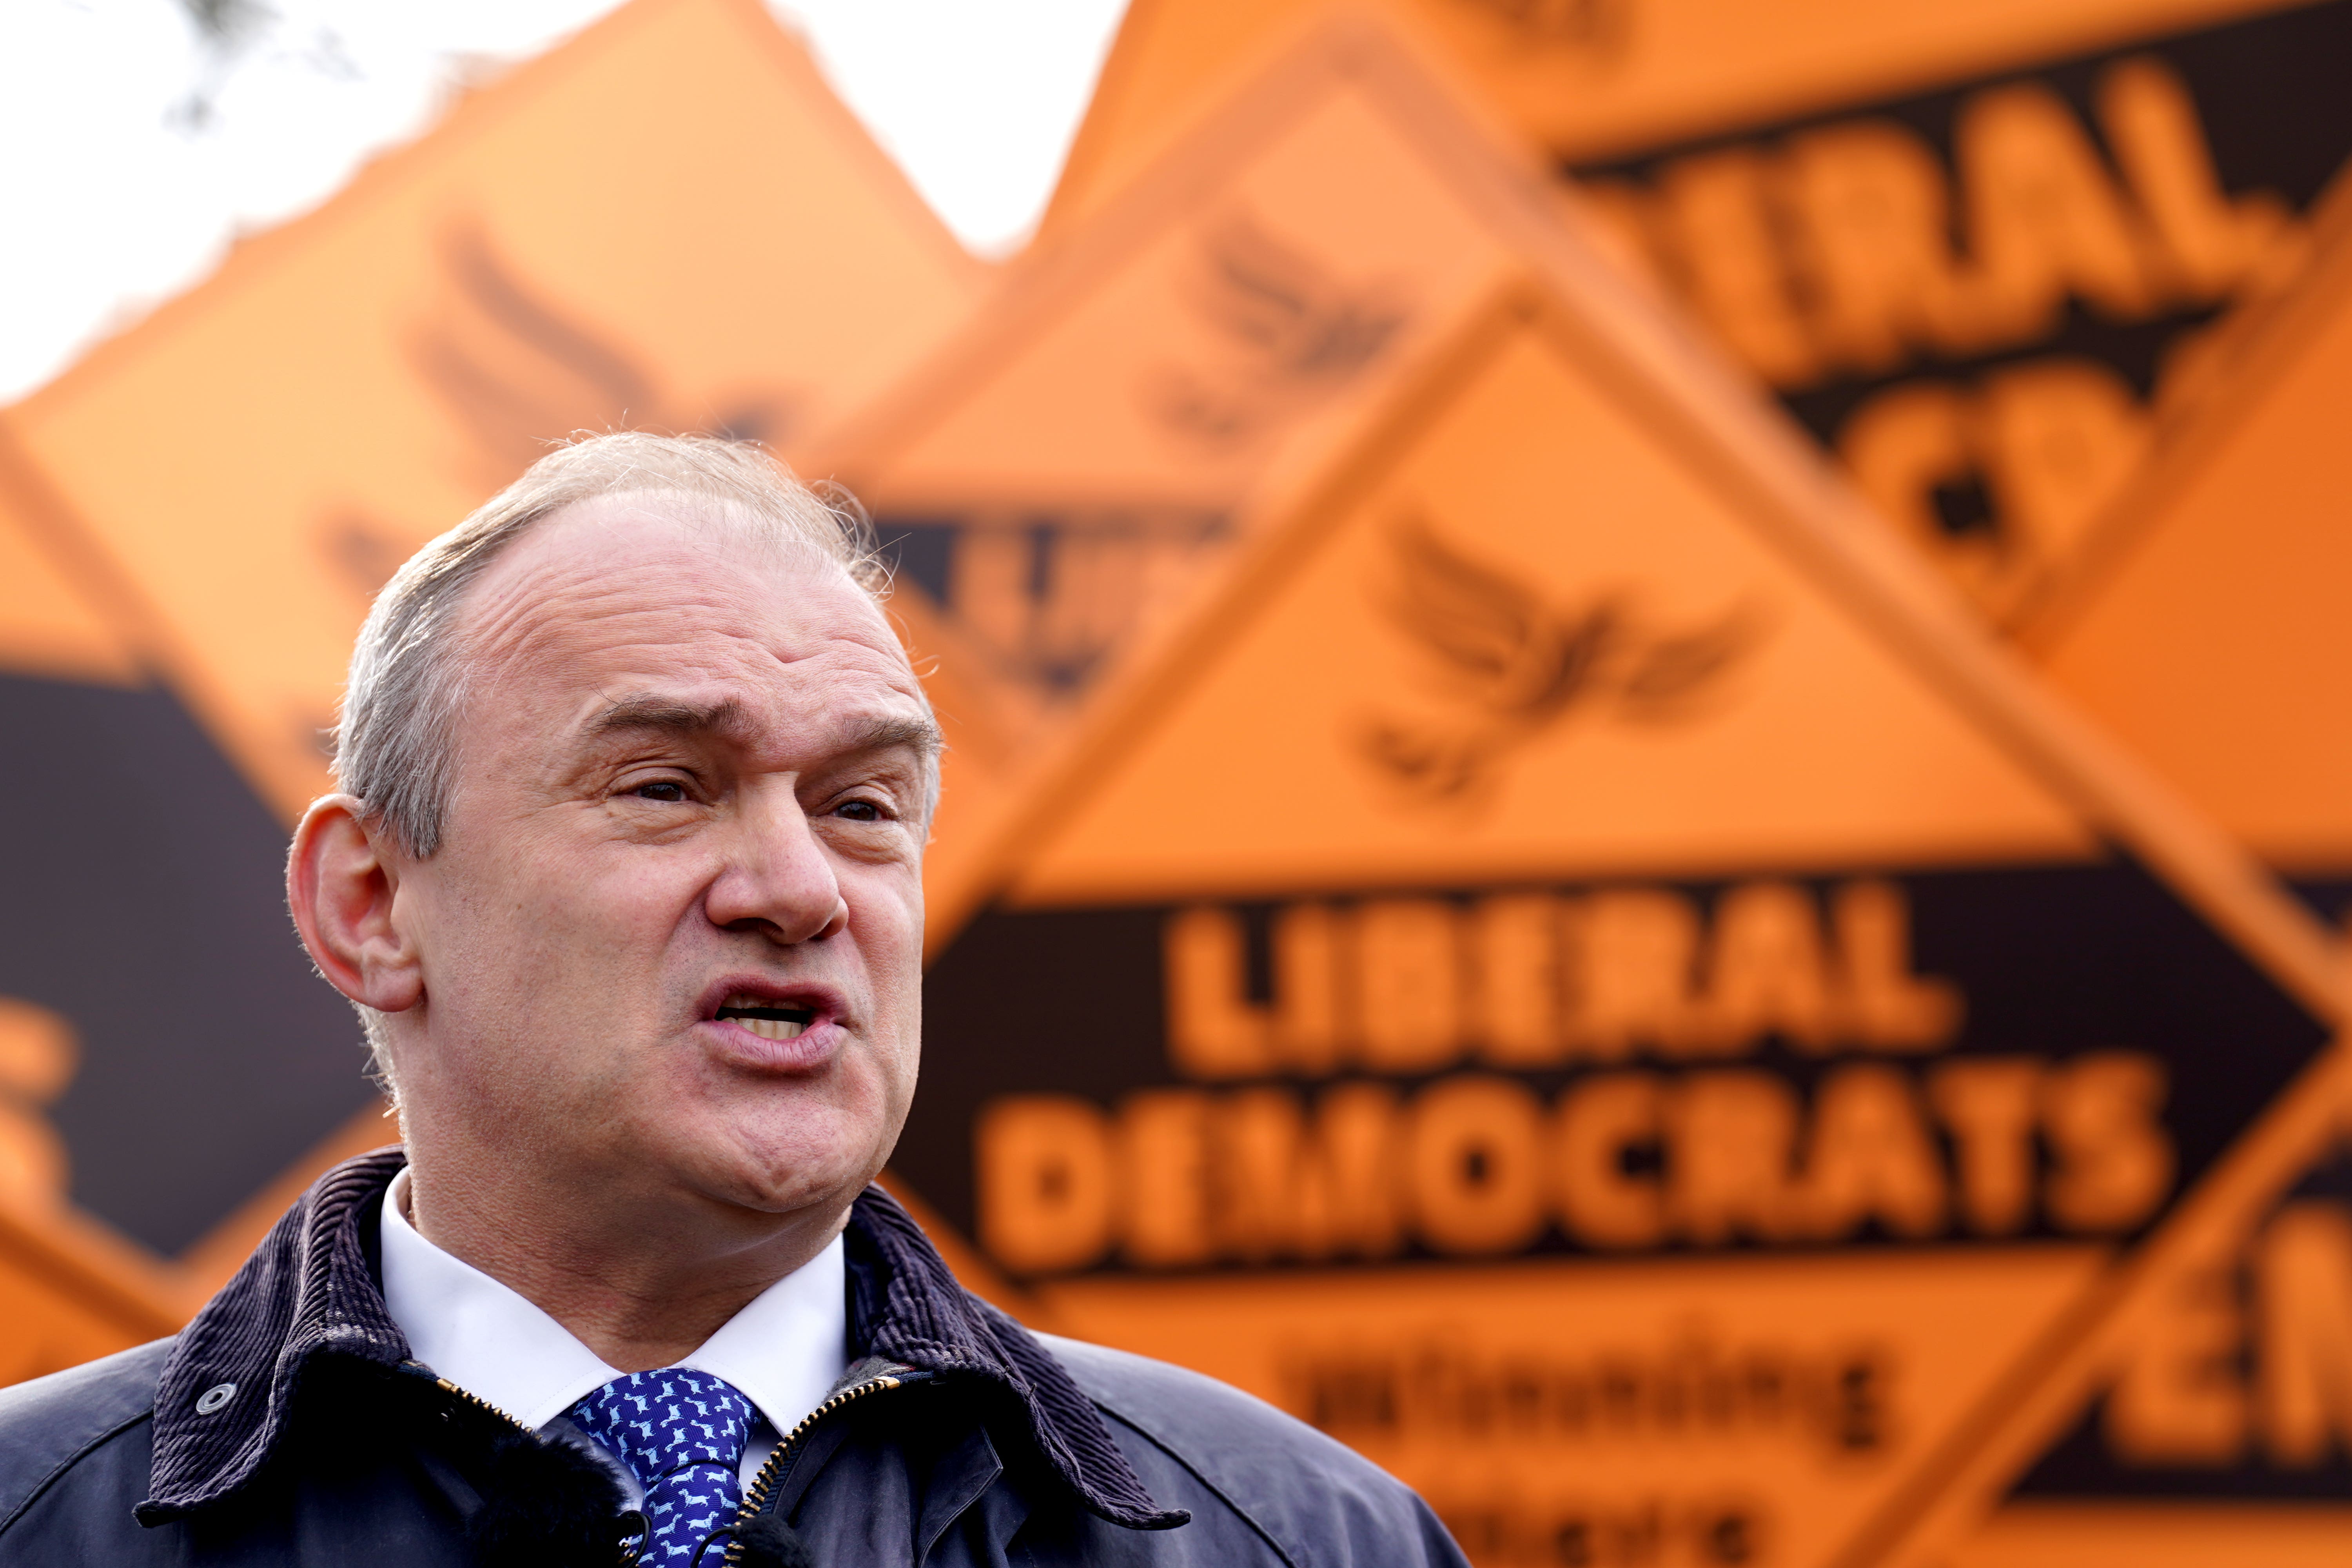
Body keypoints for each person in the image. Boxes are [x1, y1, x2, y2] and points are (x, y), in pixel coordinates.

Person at [0, 435, 1468, 1567]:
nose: (801, 887)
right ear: (373, 906)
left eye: (864, 805)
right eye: (665, 787)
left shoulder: (1299, 1536)